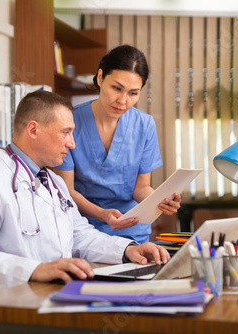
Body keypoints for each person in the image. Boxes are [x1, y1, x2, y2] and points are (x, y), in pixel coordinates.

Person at [0, 90, 170, 334]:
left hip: (51, 304)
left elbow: (81, 235)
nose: (72, 143)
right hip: (1, 313)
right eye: (66, 132)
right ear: (33, 130)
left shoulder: (54, 182)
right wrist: (35, 270)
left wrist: (128, 250)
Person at [53, 45, 181, 244]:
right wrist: (103, 214)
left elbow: (141, 188)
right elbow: (66, 190)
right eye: (116, 88)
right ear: (100, 77)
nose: (122, 101)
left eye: (133, 93)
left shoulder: (144, 125)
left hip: (132, 231)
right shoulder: (70, 121)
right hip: (84, 231)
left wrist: (161, 201)